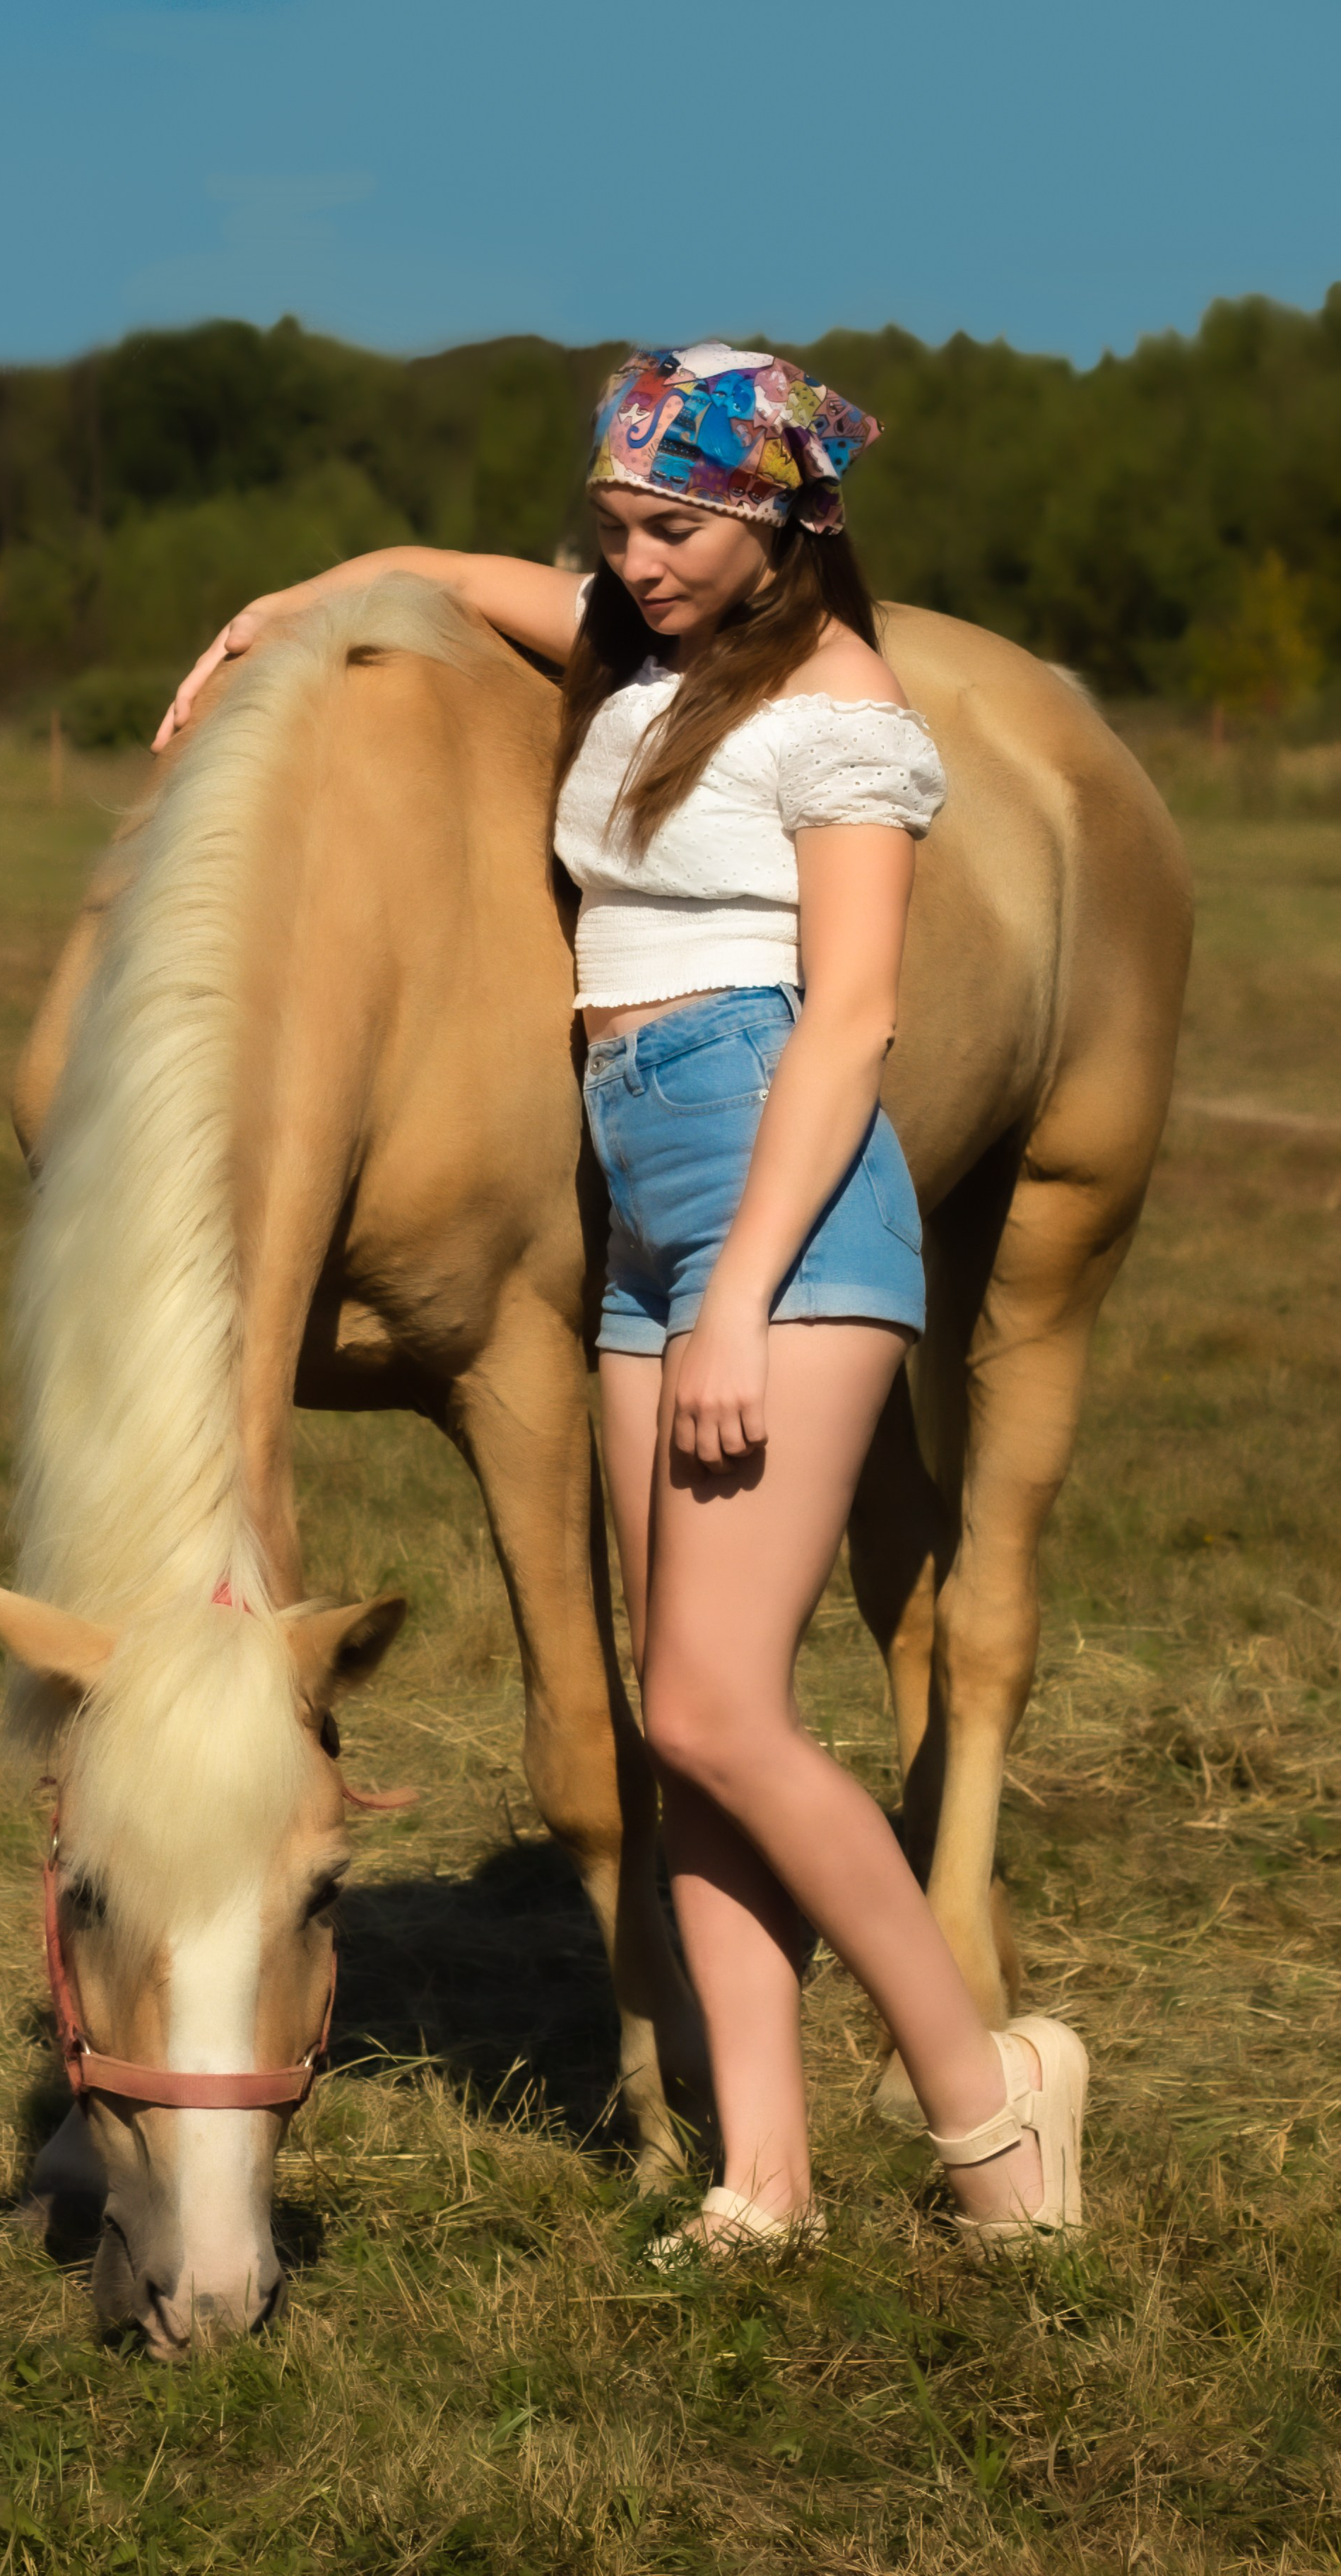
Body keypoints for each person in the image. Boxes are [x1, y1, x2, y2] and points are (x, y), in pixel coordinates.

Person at [155, 341, 1087, 2255]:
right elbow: (432, 574)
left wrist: (742, 1297)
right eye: (616, 526)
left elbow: (854, 1026)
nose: (632, 561)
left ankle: (989, 2099)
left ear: (784, 524)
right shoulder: (646, 653)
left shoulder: (841, 717)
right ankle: (767, 2175)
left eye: (674, 529)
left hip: (778, 1193)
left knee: (730, 1715)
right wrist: (284, 609)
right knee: (681, 1724)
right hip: (648, 1196)